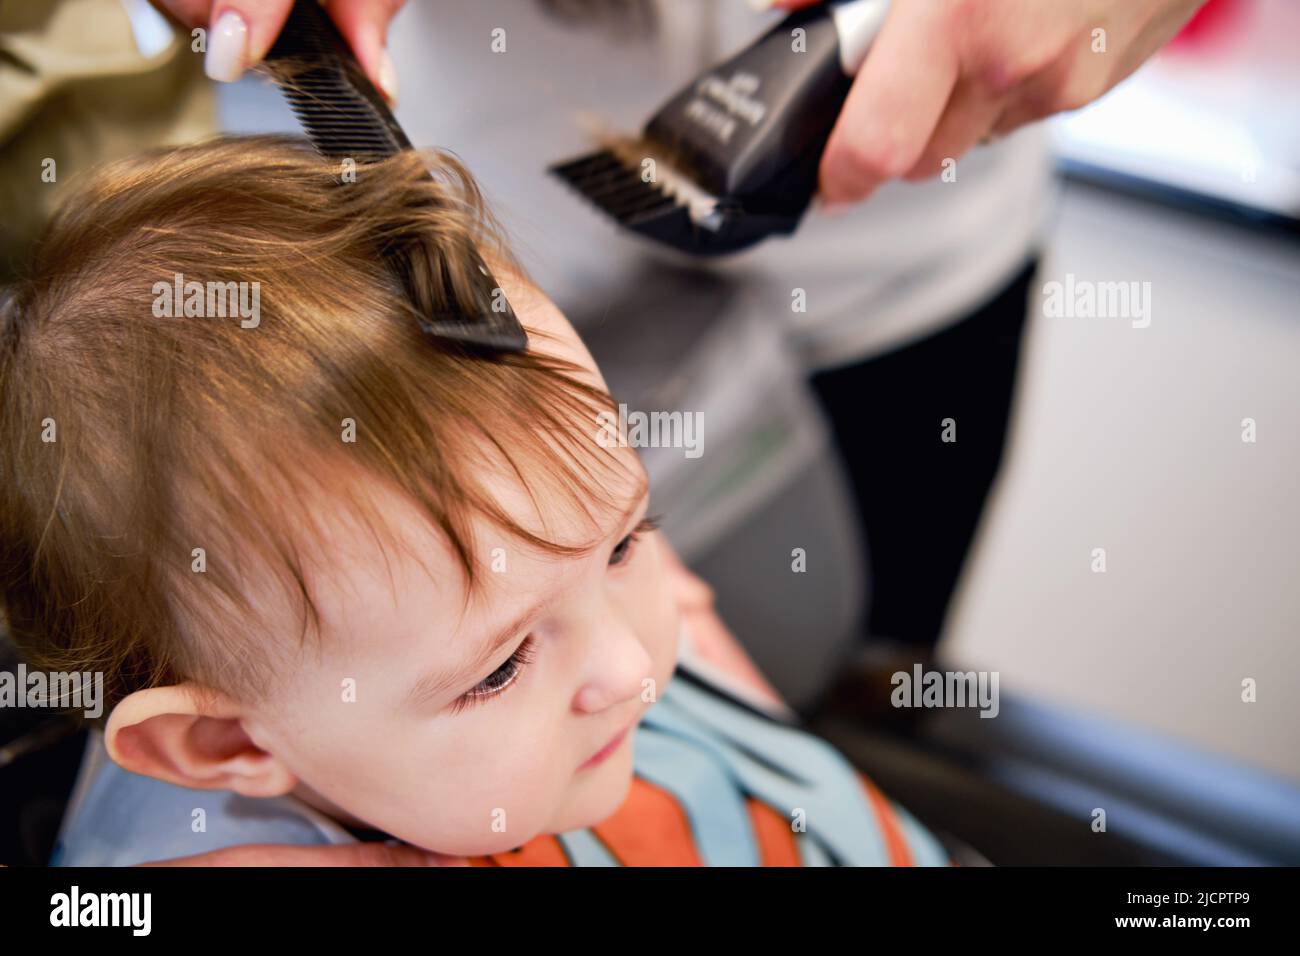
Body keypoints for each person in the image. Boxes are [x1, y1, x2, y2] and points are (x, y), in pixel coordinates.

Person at [4, 135, 954, 867]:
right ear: (221, 741)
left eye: (627, 542)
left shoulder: (555, 606)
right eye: (498, 670)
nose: (632, 670)